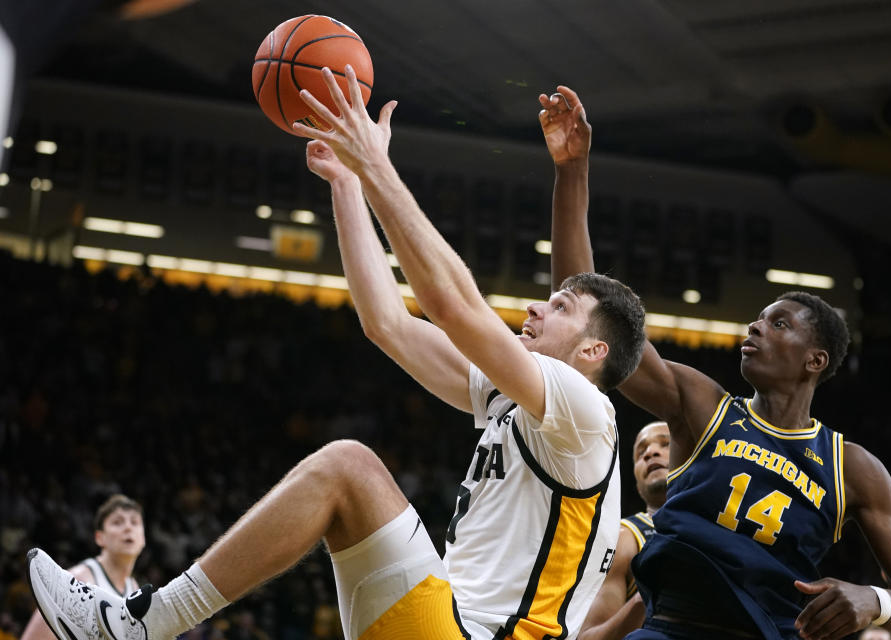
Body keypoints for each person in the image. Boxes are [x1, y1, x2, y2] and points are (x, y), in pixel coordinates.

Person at [26, 66, 647, 640]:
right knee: (347, 473)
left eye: (561, 307)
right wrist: (349, 183)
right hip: (447, 619)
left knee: (350, 467)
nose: (537, 308)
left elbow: (455, 306)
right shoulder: (517, 401)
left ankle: (141, 625)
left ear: (595, 349)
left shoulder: (585, 412)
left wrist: (377, 163)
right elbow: (389, 325)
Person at [539, 85, 891, 639]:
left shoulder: (853, 469)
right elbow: (585, 313)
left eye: (779, 323)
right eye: (756, 318)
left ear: (815, 359)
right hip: (669, 627)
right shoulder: (703, 407)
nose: (754, 327)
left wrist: (874, 600)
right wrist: (572, 171)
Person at [579, 421, 669, 640]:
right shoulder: (623, 538)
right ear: (638, 486)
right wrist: (645, 595)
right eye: (640, 452)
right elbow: (587, 637)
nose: (650, 453)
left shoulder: (727, 528)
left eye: (665, 444)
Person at [22, 494, 145, 640]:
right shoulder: (81, 579)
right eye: (117, 522)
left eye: (135, 522)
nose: (128, 528)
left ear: (143, 538)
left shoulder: (133, 587)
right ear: (100, 537)